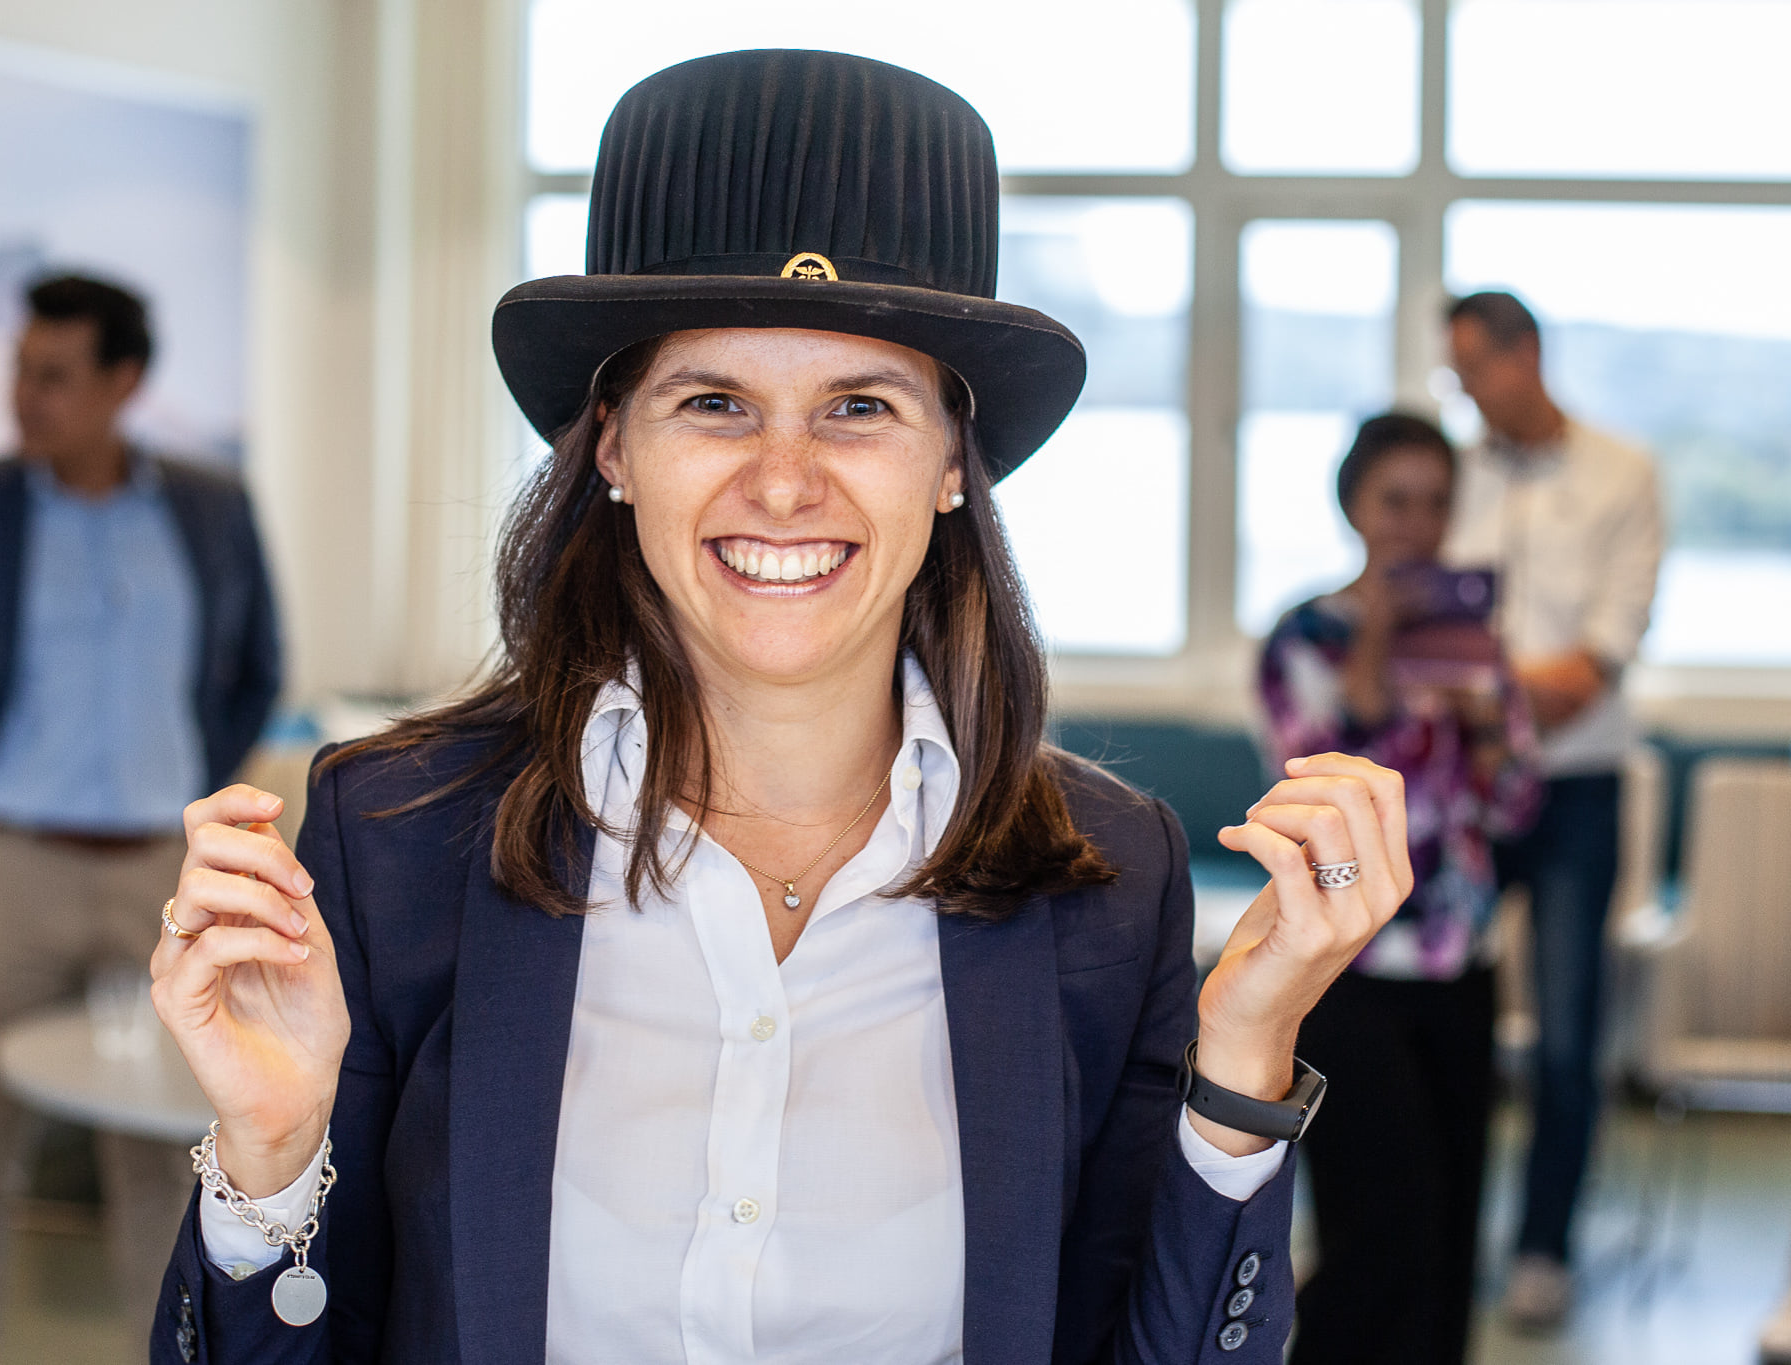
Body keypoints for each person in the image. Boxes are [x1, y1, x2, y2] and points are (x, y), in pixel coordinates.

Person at [146, 51, 1411, 1365]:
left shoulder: (1105, 880)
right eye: (716, 404)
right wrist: (274, 1165)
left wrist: (1245, 1065)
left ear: (951, 469)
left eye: (860, 407)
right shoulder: (400, 831)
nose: (787, 482)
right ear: (617, 448)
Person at [0, 273, 282, 1363]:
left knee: (166, 1156)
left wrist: (187, 794)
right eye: (22, 373)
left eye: (55, 377)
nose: (26, 398)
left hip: (157, 882)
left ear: (124, 383)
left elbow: (254, 673)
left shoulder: (212, 509)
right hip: (3, 864)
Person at [1258, 413, 1543, 1364]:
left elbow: (1516, 804)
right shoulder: (1302, 637)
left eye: (1436, 502)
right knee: (1380, 1227)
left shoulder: (1474, 647)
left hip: (1461, 960)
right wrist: (1380, 645)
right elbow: (1320, 784)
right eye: (1395, 500)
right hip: (1351, 966)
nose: (1416, 524)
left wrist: (1486, 725)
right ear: (1354, 505)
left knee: (1455, 1229)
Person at [1442, 290, 1664, 1330]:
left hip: (1574, 791)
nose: (1464, 391)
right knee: (1444, 1021)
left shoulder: (1623, 473)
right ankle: (1439, 1231)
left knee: (1568, 1038)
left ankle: (1542, 1250)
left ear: (1524, 355)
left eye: (1472, 368)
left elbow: (1596, 666)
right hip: (1465, 789)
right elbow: (1422, 635)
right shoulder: (1453, 479)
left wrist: (1474, 685)